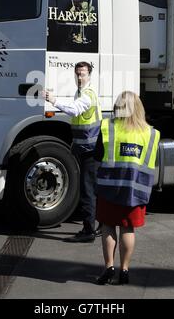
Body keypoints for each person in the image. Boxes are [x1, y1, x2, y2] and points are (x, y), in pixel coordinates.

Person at [94, 91, 160, 284]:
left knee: (108, 227)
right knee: (128, 228)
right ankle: (124, 270)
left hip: (108, 188)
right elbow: (152, 161)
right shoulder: (151, 133)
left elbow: (98, 155)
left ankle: (109, 267)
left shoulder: (108, 127)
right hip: (136, 190)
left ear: (118, 107)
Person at [42, 61, 102, 242]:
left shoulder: (88, 95)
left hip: (90, 151)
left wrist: (53, 100)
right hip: (85, 148)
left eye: (82, 74)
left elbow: (74, 111)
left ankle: (89, 231)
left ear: (89, 75)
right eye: (77, 74)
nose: (79, 77)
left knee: (87, 190)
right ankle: (97, 226)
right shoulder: (80, 92)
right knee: (90, 189)